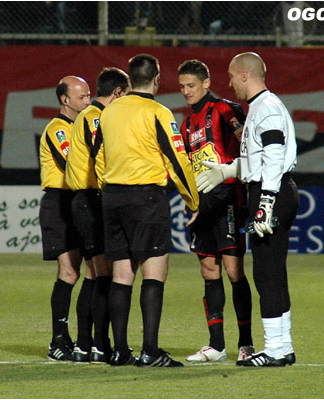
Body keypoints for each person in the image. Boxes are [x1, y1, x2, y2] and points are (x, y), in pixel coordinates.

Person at [94, 53, 199, 367]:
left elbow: (97, 154)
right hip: (146, 198)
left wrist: (107, 187)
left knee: (121, 274)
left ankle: (119, 351)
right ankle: (150, 351)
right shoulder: (159, 112)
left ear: (128, 79)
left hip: (112, 198)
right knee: (154, 273)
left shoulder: (109, 113)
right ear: (157, 79)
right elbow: (177, 159)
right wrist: (192, 199)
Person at [196, 52, 299, 367]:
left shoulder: (265, 108)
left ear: (244, 75)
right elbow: (259, 159)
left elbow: (273, 156)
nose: (228, 83)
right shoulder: (264, 107)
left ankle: (275, 349)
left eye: (230, 76)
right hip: (274, 189)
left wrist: (265, 202)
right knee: (272, 272)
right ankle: (282, 346)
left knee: (266, 272)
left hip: (271, 193)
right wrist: (226, 171)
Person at [177, 59, 255, 363]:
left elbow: (247, 146)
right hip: (201, 207)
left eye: (191, 86)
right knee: (208, 271)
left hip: (227, 202)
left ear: (206, 83)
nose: (186, 91)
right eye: (182, 86)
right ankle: (217, 346)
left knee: (234, 271)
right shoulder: (185, 124)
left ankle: (246, 344)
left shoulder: (225, 110)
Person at [65, 67, 131, 364]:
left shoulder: (89, 115)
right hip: (92, 199)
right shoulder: (95, 116)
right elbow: (99, 152)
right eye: (126, 95)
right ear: (117, 93)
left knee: (93, 274)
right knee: (103, 274)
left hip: (85, 200)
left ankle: (85, 345)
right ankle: (99, 345)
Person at [38, 76, 94, 361]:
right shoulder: (58, 129)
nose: (88, 101)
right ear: (65, 100)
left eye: (88, 96)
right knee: (69, 273)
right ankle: (58, 341)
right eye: (82, 97)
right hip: (60, 202)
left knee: (91, 272)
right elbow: (71, 163)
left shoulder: (83, 126)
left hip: (80, 201)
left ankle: (88, 340)